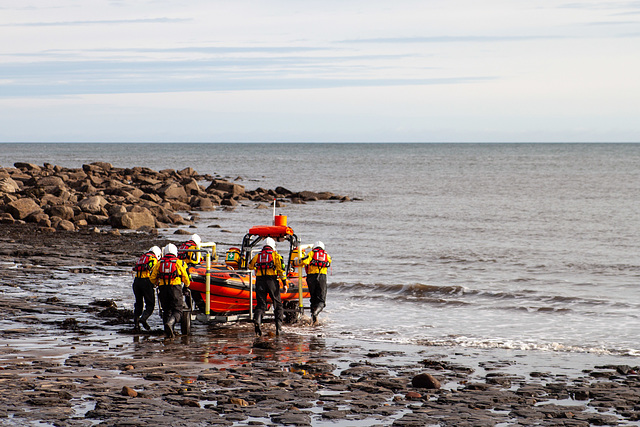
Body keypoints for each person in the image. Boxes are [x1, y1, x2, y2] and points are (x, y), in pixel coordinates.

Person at [248, 237, 289, 336]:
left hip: (260, 281)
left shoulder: (258, 256)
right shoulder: (276, 256)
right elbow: (281, 271)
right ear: (273, 246)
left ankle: (257, 320)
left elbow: (250, 266)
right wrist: (284, 283)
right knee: (277, 304)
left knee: (261, 304)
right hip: (272, 281)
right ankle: (278, 328)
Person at [149, 243, 191, 338]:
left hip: (163, 288)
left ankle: (167, 331)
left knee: (166, 310)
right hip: (175, 287)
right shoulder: (179, 262)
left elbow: (152, 278)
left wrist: (156, 283)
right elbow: (186, 277)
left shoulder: (159, 263)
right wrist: (186, 286)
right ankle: (170, 324)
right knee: (178, 310)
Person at [298, 241, 332, 324]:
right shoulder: (326, 255)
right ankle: (315, 314)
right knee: (321, 301)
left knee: (313, 299)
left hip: (311, 278)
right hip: (322, 277)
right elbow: (329, 262)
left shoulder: (312, 253)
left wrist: (298, 260)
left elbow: (304, 261)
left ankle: (314, 319)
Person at [131, 246, 161, 331]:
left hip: (136, 282)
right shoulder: (152, 258)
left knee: (138, 304)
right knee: (150, 305)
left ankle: (136, 324)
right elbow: (153, 270)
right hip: (146, 282)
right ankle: (143, 319)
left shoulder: (142, 257)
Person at [178, 233, 206, 312]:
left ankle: (186, 307)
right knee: (191, 290)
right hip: (190, 270)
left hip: (179, 270)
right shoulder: (195, 247)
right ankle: (190, 309)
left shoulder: (183, 246)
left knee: (184, 291)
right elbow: (198, 260)